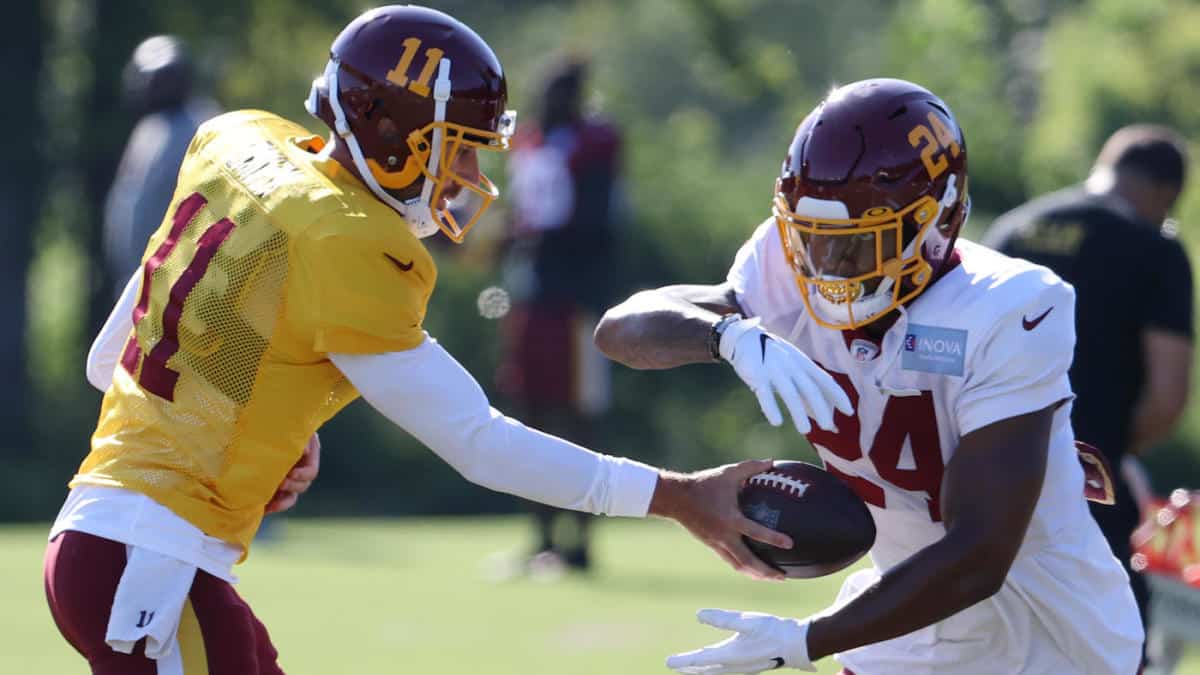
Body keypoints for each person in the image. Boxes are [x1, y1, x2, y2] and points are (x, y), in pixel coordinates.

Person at [42, 7, 791, 673]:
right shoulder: (353, 243)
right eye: (456, 148)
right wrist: (678, 495)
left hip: (97, 536)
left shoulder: (236, 143)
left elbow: (111, 360)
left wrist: (262, 421)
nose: (468, 175)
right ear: (392, 131)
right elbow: (481, 442)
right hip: (150, 562)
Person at [595, 78, 1143, 674]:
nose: (830, 267)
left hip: (1045, 640)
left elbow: (980, 554)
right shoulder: (784, 262)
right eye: (815, 242)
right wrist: (725, 335)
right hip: (904, 629)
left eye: (861, 244)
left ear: (938, 221)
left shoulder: (1009, 308)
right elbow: (620, 330)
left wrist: (807, 639)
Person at [984, 125, 1193, 665]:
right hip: (1086, 486)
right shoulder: (1155, 250)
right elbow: (1167, 397)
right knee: (1108, 646)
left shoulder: (1011, 230)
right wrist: (1109, 454)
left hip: (981, 476)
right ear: (1164, 193)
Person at [494, 57, 623, 574]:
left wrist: (534, 235)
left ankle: (582, 541)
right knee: (531, 415)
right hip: (530, 300)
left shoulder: (593, 146)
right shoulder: (530, 141)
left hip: (575, 302)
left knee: (576, 417)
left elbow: (595, 225)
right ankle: (543, 537)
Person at [103, 35, 220, 293]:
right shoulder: (150, 128)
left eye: (165, 78)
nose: (156, 86)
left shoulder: (203, 127)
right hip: (140, 281)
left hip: (178, 286)